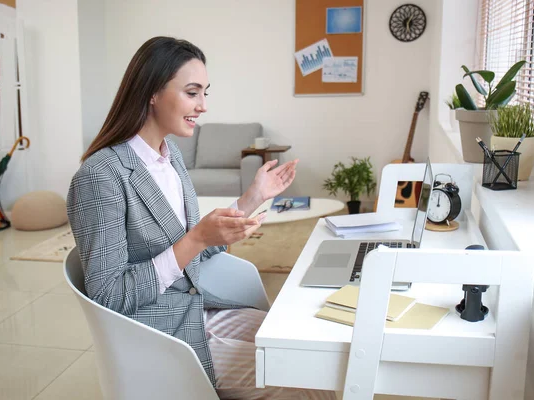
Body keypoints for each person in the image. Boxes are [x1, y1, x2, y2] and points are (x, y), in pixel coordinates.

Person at [67, 36, 336, 399]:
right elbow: (109, 296)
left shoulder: (170, 156)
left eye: (205, 93)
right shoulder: (101, 176)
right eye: (193, 93)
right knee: (304, 377)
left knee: (308, 349)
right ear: (151, 92)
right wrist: (194, 240)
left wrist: (252, 198)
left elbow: (197, 245)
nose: (203, 106)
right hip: (156, 333)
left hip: (198, 307)